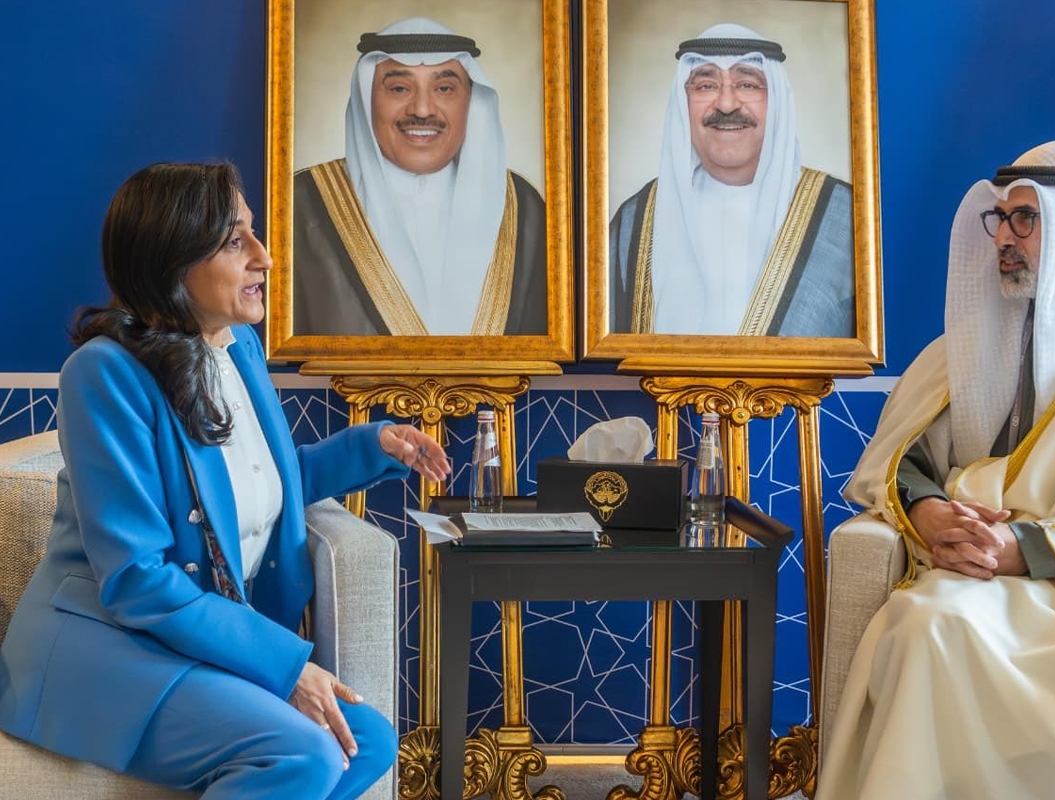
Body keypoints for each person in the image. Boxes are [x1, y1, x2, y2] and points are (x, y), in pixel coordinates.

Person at [0, 162, 452, 799]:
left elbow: (258, 488)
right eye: (236, 241)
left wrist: (370, 446)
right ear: (172, 259)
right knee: (304, 754)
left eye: (253, 235)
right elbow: (136, 580)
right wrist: (285, 668)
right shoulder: (102, 374)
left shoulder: (237, 348)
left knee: (369, 740)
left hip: (184, 635)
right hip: (110, 645)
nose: (264, 258)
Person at [816, 140, 1055, 799]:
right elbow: (905, 460)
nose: (1004, 239)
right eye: (1000, 219)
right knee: (930, 627)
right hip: (986, 577)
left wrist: (1032, 547)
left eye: (1026, 219)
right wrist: (932, 515)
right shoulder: (963, 346)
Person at [293, 16, 547, 337]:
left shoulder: (522, 207)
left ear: (471, 100)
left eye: (444, 89)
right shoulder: (301, 203)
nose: (423, 109)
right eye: (399, 88)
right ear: (367, 99)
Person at [609, 23, 854, 336]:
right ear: (683, 102)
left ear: (776, 100)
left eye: (747, 84)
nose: (726, 104)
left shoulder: (844, 216)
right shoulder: (636, 221)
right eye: (706, 86)